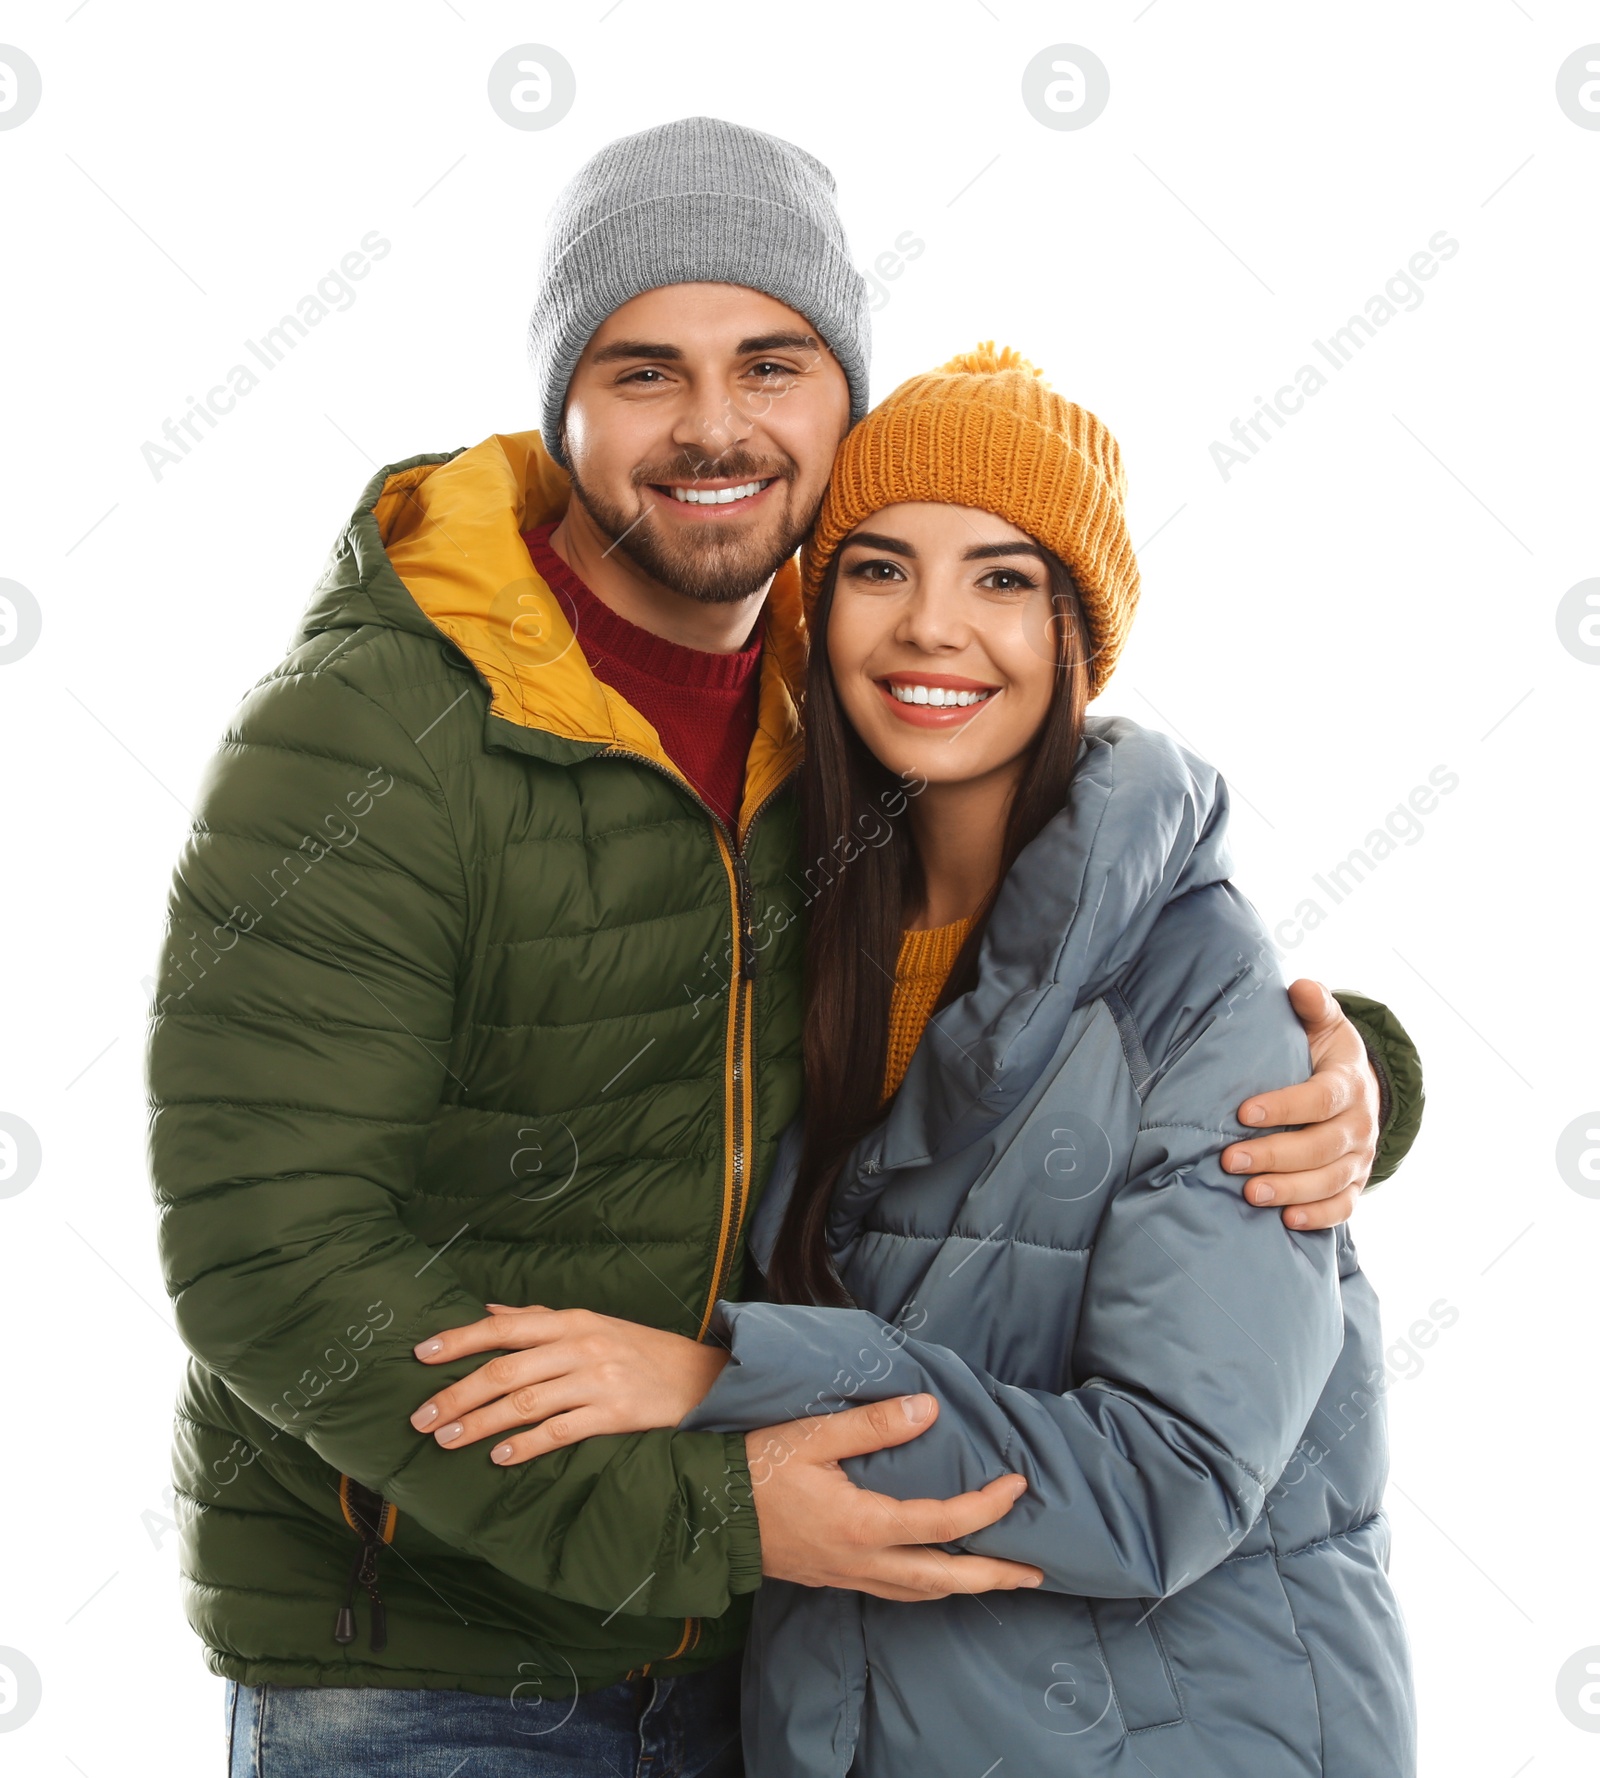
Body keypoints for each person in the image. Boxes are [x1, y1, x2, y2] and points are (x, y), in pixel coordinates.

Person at [145, 117, 1420, 1775]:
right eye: (644, 370)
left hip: (784, 1667)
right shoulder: (376, 733)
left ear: (842, 406)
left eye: (772, 361)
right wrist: (714, 1502)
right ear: (566, 402)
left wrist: (1346, 1063)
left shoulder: (844, 748)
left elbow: (1042, 992)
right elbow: (269, 1252)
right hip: (439, 1666)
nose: (715, 425)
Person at [413, 348, 1416, 1775]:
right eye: (880, 569)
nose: (933, 627)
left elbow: (1172, 1481)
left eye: (1003, 579)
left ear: (1080, 628)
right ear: (817, 614)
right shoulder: (796, 944)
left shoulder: (1202, 997)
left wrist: (711, 1379)